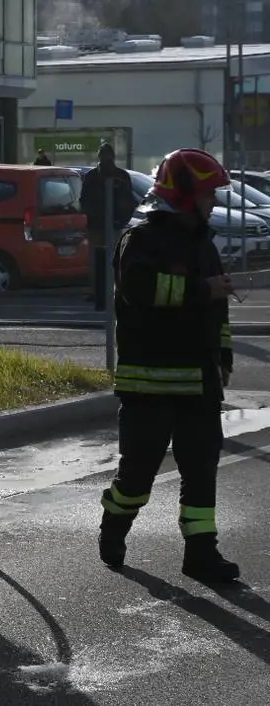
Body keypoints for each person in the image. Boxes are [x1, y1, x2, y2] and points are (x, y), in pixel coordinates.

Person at [97, 148, 239, 583]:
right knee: (137, 476)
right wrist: (202, 289)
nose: (213, 202)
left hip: (200, 382)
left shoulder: (202, 242)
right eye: (208, 194)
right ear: (185, 195)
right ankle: (114, 524)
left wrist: (224, 355)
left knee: (201, 471)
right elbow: (140, 290)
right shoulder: (141, 239)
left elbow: (217, 309)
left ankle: (201, 554)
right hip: (148, 385)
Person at [80, 141, 135, 309]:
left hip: (114, 223)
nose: (105, 159)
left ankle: (113, 289)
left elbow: (128, 201)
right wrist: (92, 216)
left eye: (107, 155)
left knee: (114, 259)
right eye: (103, 155)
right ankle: (96, 291)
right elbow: (84, 200)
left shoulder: (121, 177)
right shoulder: (92, 177)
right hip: (97, 225)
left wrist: (122, 220)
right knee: (97, 259)